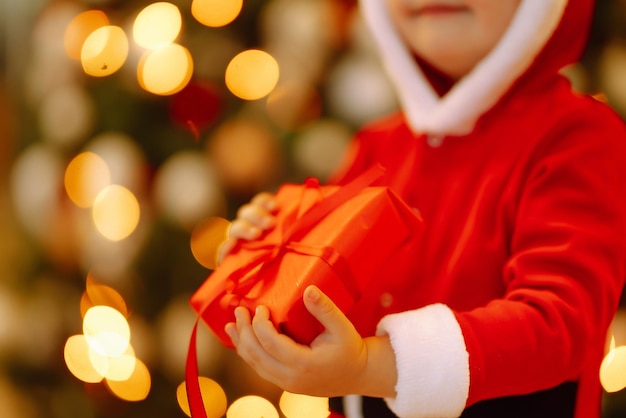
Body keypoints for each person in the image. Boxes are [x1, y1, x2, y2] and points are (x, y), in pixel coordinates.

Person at [219, 0, 626, 417]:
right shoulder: (377, 144)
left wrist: (370, 366)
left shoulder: (577, 138)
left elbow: (558, 325)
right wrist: (264, 268)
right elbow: (328, 302)